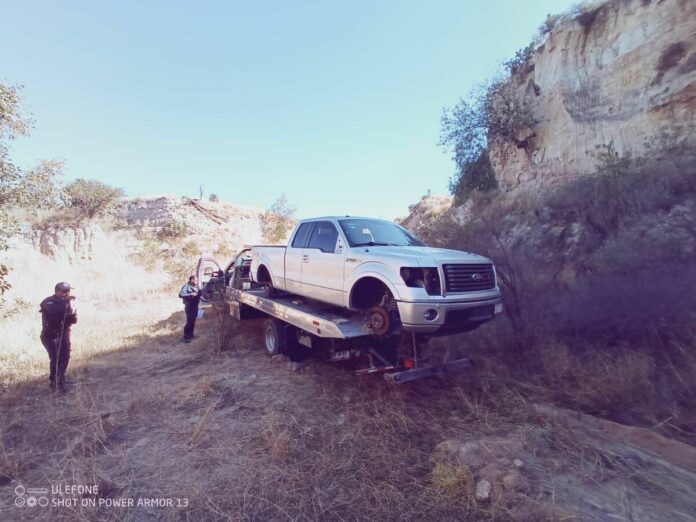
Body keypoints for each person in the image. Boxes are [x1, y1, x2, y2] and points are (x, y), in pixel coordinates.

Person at [39, 282, 78, 392]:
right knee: (56, 359)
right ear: (56, 291)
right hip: (51, 336)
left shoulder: (64, 302)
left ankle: (61, 379)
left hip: (63, 334)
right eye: (64, 291)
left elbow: (67, 317)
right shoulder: (48, 301)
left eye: (68, 291)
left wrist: (73, 317)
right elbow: (54, 310)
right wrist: (66, 301)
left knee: (65, 357)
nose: (66, 294)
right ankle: (55, 384)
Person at [179, 275, 200, 342]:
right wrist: (191, 294)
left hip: (195, 306)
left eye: (197, 280)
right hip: (189, 306)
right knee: (189, 321)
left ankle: (191, 334)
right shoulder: (186, 286)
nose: (197, 281)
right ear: (191, 280)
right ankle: (186, 336)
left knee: (193, 321)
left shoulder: (196, 286)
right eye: (196, 280)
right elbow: (181, 294)